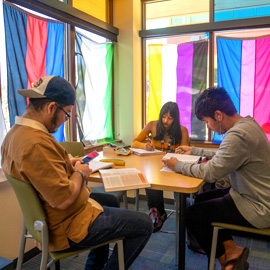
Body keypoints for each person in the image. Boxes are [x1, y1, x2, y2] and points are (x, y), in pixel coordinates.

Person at [1, 76, 153, 270]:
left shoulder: (15, 134)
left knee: (110, 202)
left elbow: (41, 172)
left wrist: (67, 164)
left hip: (51, 215)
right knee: (144, 224)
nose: (64, 121)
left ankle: (94, 266)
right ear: (51, 108)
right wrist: (80, 174)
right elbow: (63, 199)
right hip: (67, 225)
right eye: (67, 115)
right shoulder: (36, 144)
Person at [163, 87, 270, 270]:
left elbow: (210, 172)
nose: (208, 127)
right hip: (252, 195)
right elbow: (227, 154)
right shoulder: (247, 124)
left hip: (257, 207)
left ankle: (226, 260)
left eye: (207, 121)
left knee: (192, 215)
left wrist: (176, 165)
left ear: (218, 115)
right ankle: (231, 249)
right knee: (202, 199)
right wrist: (195, 151)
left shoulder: (237, 135)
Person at [131, 101, 189, 232]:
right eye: (163, 116)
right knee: (150, 180)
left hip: (174, 168)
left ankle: (179, 216)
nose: (165, 121)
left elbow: (186, 153)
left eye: (170, 117)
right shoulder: (152, 125)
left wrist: (179, 151)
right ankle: (157, 212)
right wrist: (144, 146)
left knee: (178, 188)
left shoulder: (182, 130)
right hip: (155, 167)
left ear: (176, 118)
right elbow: (134, 142)